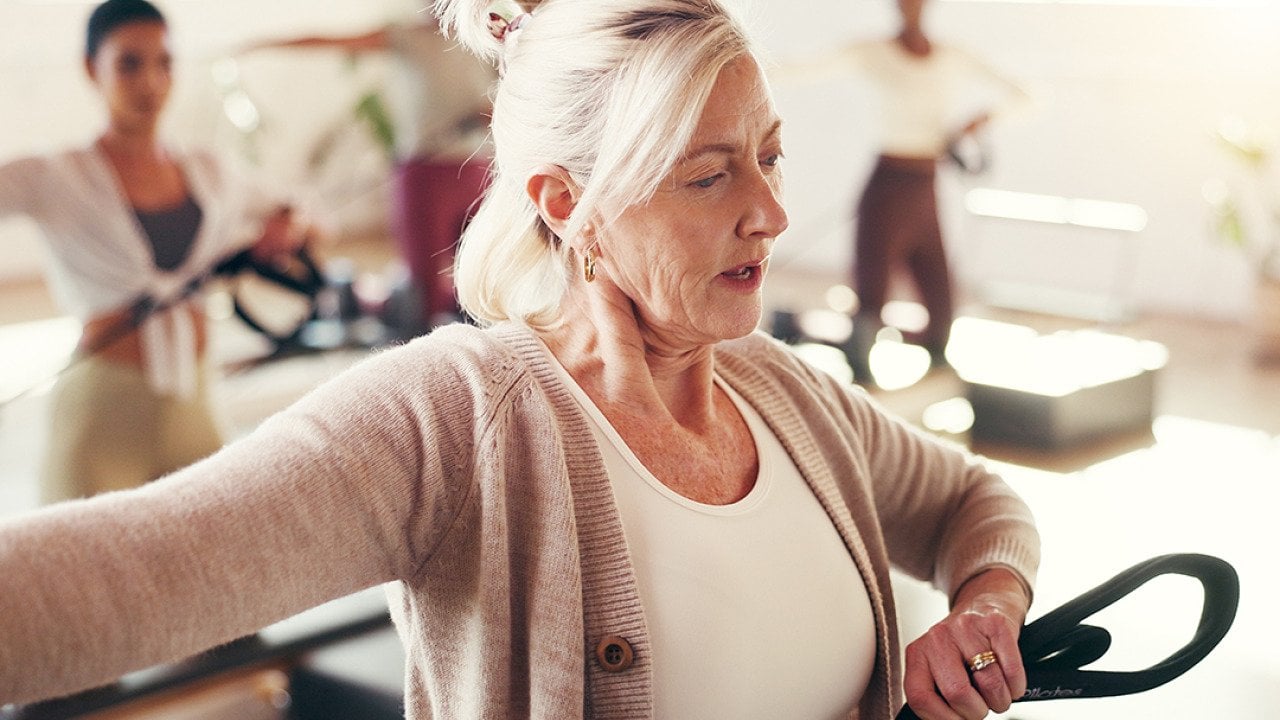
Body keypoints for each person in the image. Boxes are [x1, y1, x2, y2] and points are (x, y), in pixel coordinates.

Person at [0, 1, 1039, 719]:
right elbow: (138, 570)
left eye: (767, 157)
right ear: (565, 205)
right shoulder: (456, 421)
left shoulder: (791, 398)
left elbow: (976, 507)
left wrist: (984, 610)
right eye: (706, 176)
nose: (768, 213)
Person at [0, 0, 315, 503]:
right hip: (102, 414)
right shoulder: (56, 174)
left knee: (219, 567)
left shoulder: (210, 170)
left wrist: (284, 228)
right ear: (91, 69)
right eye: (129, 63)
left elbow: (301, 213)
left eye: (164, 63)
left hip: (195, 405)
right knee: (82, 578)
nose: (150, 81)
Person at [793, 0, 1030, 383]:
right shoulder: (872, 51)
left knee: (938, 283)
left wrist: (980, 121)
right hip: (888, 184)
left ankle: (937, 359)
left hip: (925, 185)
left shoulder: (952, 55)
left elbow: (1024, 95)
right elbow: (798, 70)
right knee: (873, 286)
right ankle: (862, 369)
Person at [242, 11, 498, 332]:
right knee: (424, 292)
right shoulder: (407, 36)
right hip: (424, 170)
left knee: (487, 277)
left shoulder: (486, 35)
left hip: (476, 168)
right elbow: (331, 41)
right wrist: (263, 44)